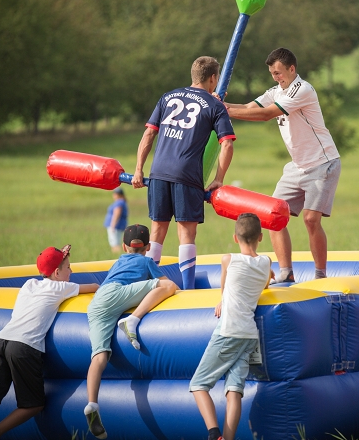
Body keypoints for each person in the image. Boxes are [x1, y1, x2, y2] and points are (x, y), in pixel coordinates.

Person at [224, 47, 340, 282]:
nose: (275, 78)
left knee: (310, 220)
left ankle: (320, 276)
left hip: (322, 163)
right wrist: (221, 106)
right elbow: (250, 107)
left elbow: (266, 114)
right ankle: (286, 273)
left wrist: (227, 111)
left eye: (278, 73)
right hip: (297, 166)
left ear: (292, 69)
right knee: (273, 216)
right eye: (272, 74)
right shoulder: (277, 90)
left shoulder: (302, 89)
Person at [0, 245, 99, 440]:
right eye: (68, 267)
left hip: (0, 341)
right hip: (23, 346)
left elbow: (50, 269)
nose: (71, 271)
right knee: (34, 405)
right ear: (57, 273)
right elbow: (95, 287)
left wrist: (59, 257)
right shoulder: (61, 287)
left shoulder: (29, 284)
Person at [133, 56, 235, 290]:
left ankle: (147, 287)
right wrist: (218, 179)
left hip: (159, 171)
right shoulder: (215, 105)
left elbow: (149, 134)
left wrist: (139, 169)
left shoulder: (167, 97)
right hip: (187, 174)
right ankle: (188, 289)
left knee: (157, 230)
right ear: (213, 78)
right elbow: (227, 144)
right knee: (186, 233)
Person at [84, 224, 179, 439]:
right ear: (148, 247)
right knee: (169, 286)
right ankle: (132, 320)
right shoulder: (147, 261)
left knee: (99, 357)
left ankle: (92, 404)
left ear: (125, 247)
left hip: (97, 303)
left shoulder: (118, 262)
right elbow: (167, 284)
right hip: (116, 294)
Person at [190, 213, 272, 440]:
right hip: (249, 335)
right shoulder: (266, 262)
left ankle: (214, 433)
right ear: (261, 237)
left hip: (228, 330)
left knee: (198, 384)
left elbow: (225, 286)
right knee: (234, 390)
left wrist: (222, 300)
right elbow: (264, 283)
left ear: (235, 238)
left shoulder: (229, 259)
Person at [104, 187, 128, 254]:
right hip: (119, 225)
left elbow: (117, 214)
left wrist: (113, 225)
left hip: (116, 226)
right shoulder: (122, 202)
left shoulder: (119, 202)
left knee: (115, 243)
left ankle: (116, 255)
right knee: (116, 242)